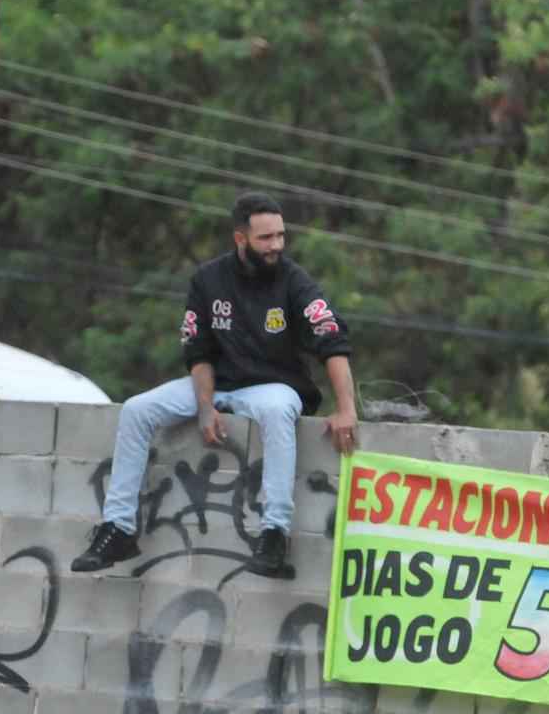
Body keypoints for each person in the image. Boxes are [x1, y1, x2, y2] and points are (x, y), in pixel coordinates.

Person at [71, 192, 359, 578]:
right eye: (265, 238)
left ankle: (274, 533)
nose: (276, 245)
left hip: (270, 386)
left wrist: (347, 410)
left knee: (278, 411)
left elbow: (332, 340)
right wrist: (205, 407)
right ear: (240, 238)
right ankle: (118, 529)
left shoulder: (294, 282)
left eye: (280, 236)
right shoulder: (208, 280)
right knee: (137, 410)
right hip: (217, 383)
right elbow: (198, 351)